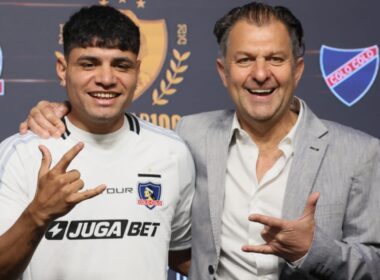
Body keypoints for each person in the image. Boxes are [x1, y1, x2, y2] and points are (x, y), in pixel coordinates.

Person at [19, 2, 380, 280]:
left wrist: (312, 250)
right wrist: (56, 109)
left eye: (275, 59)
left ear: (297, 69)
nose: (259, 73)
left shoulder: (358, 152)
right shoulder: (187, 137)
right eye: (244, 59)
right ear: (224, 71)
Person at [0, 5, 194, 280]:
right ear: (63, 69)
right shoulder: (23, 153)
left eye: (121, 65)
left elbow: (180, 254)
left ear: (137, 71)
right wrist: (37, 215)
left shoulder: (172, 151)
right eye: (89, 64)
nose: (106, 79)